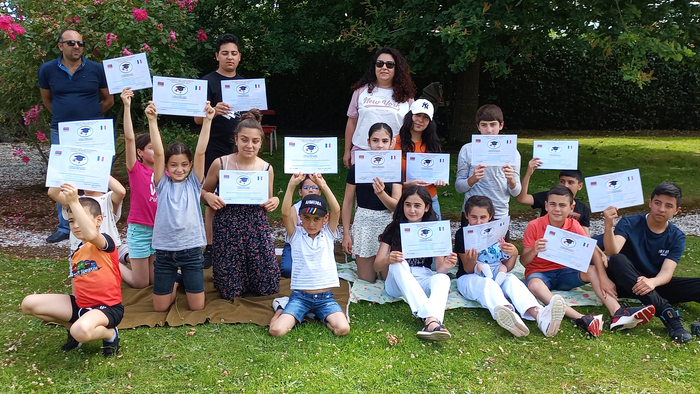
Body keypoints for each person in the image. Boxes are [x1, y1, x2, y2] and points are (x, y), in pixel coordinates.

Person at [522, 185, 656, 337]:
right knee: (534, 284)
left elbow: (592, 250)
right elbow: (524, 261)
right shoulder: (534, 225)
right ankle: (581, 318)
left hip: (565, 272)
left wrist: (604, 278)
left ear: (571, 207)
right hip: (539, 274)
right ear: (546, 205)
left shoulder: (574, 225)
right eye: (552, 204)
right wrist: (534, 250)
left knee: (592, 270)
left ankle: (618, 312)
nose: (557, 209)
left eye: (562, 205)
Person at [21, 187, 123, 357]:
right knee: (29, 304)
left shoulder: (105, 242)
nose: (76, 226)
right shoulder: (77, 251)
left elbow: (91, 234)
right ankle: (74, 328)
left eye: (80, 220)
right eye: (71, 221)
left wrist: (74, 201)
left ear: (98, 220)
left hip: (108, 309)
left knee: (80, 330)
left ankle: (110, 334)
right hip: (81, 306)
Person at [38, 28, 114, 243]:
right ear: (60, 45)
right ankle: (65, 226)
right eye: (71, 43)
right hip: (61, 132)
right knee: (62, 178)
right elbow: (48, 100)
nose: (77, 47)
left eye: (80, 43)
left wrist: (90, 117)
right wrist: (66, 119)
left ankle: (100, 221)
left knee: (95, 176)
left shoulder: (96, 69)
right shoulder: (47, 70)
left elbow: (108, 100)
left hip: (93, 134)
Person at [455, 195, 566, 337]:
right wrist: (472, 259)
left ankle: (540, 315)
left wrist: (513, 254)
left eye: (483, 217)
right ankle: (509, 313)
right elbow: (468, 269)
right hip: (470, 277)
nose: (478, 222)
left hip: (497, 273)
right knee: (487, 283)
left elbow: (507, 266)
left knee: (512, 280)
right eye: (474, 217)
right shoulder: (462, 235)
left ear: (491, 216)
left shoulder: (499, 231)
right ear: (466, 216)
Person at [603, 182, 700, 343]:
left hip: (652, 284)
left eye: (668, 206)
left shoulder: (677, 236)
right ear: (650, 202)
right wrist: (608, 226)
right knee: (618, 259)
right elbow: (613, 252)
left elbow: (667, 273)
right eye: (657, 203)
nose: (661, 209)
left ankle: (654, 299)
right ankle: (667, 314)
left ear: (676, 211)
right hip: (624, 281)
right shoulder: (629, 222)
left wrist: (652, 282)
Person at [203, 110, 280, 299]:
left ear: (261, 142)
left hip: (256, 227)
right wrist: (208, 197)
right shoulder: (220, 163)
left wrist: (275, 201)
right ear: (236, 139)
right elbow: (202, 192)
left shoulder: (266, 168)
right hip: (227, 226)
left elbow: (267, 201)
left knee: (267, 287)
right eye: (244, 140)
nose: (249, 145)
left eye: (255, 141)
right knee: (231, 291)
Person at [148, 100, 215, 312]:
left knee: (197, 307)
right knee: (160, 308)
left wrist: (207, 121)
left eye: (184, 164)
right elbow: (158, 153)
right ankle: (176, 281)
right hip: (165, 252)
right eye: (174, 165)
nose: (179, 169)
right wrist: (152, 120)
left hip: (191, 251)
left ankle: (183, 279)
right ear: (166, 166)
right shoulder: (162, 184)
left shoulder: (195, 183)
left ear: (190, 166)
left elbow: (201, 152)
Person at [269, 174, 350, 337]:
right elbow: (285, 214)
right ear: (300, 217)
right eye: (306, 218)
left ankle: (319, 315)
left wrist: (323, 185)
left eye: (316, 219)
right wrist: (291, 186)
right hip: (300, 298)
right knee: (276, 331)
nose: (311, 224)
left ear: (325, 219)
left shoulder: (328, 233)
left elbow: (336, 209)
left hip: (325, 299)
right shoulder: (296, 234)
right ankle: (281, 306)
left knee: (343, 329)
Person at [374, 186, 458, 341]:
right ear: (402, 205)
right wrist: (388, 259)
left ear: (426, 207)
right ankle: (431, 318)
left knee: (443, 279)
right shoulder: (394, 228)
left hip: (422, 278)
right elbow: (377, 266)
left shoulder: (434, 230)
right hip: (396, 283)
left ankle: (431, 322)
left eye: (417, 205)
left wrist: (447, 264)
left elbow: (440, 269)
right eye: (408, 205)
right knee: (398, 263)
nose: (412, 210)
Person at [195, 33, 245, 269]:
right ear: (217, 56)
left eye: (234, 53)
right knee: (211, 198)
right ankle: (211, 247)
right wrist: (213, 110)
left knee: (241, 196)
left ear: (239, 57)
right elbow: (196, 118)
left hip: (241, 149)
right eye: (225, 53)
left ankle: (238, 244)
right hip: (214, 146)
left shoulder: (246, 84)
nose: (229, 57)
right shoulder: (207, 82)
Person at [342, 123, 402, 282]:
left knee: (388, 279)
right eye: (375, 140)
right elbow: (348, 202)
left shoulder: (395, 168)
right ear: (368, 142)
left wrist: (381, 194)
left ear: (392, 143)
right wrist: (346, 234)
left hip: (388, 224)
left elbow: (396, 206)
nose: (380, 145)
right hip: (364, 223)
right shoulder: (357, 168)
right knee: (367, 279)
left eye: (384, 141)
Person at [343, 47, 416, 168]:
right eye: (379, 63)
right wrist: (347, 150)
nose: (384, 68)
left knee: (389, 187)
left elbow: (412, 127)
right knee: (362, 187)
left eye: (390, 65)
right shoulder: (361, 91)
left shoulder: (407, 96)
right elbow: (352, 121)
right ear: (374, 67)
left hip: (394, 153)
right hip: (362, 151)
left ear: (397, 68)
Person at [455, 104, 520, 224]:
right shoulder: (467, 150)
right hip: (473, 215)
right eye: (484, 125)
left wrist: (511, 180)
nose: (489, 130)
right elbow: (459, 187)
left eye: (493, 124)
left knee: (501, 244)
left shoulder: (512, 152)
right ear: (478, 127)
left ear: (501, 125)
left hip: (499, 213)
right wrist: (472, 179)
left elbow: (516, 192)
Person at [120, 88, 157, 289]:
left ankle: (126, 255)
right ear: (140, 152)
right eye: (150, 148)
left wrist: (154, 118)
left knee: (153, 281)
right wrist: (127, 106)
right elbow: (129, 139)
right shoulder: (136, 169)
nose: (155, 150)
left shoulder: (165, 171)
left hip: (158, 231)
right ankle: (114, 262)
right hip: (140, 230)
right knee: (140, 283)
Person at [47, 176, 126, 258]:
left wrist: (101, 172)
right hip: (79, 249)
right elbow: (53, 193)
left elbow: (121, 192)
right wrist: (66, 173)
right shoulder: (74, 200)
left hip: (105, 250)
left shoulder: (108, 199)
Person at [395, 99, 447, 219]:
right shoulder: (394, 143)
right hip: (405, 202)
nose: (420, 120)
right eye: (417, 115)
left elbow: (437, 174)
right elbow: (388, 178)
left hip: (430, 200)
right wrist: (407, 185)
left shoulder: (433, 145)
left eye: (425, 117)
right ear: (410, 116)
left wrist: (439, 180)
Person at [517, 163, 591, 236]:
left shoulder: (583, 208)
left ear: (580, 186)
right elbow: (522, 199)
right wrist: (528, 174)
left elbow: (586, 237)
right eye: (562, 181)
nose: (565, 185)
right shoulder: (550, 196)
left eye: (570, 182)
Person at [280, 175, 322, 278]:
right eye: (306, 187)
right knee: (287, 270)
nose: (311, 190)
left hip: (315, 244)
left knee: (321, 269)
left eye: (315, 187)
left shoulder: (321, 208)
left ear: (320, 192)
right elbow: (293, 231)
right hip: (296, 245)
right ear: (300, 192)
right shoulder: (294, 208)